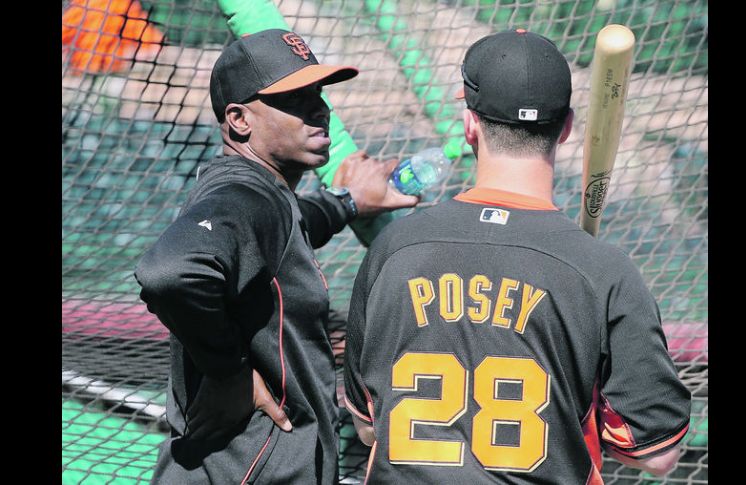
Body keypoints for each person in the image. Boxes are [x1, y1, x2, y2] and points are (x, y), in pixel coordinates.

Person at [343, 29, 691, 484]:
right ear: (566, 127)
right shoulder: (603, 271)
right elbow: (657, 453)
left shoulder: (395, 250)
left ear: (470, 124)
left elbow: (369, 427)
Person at [135, 29, 418, 484]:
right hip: (242, 470)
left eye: (318, 94)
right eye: (294, 98)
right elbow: (169, 272)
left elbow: (291, 226)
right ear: (239, 119)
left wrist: (347, 202)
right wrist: (230, 375)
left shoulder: (264, 195)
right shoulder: (244, 193)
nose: (318, 110)